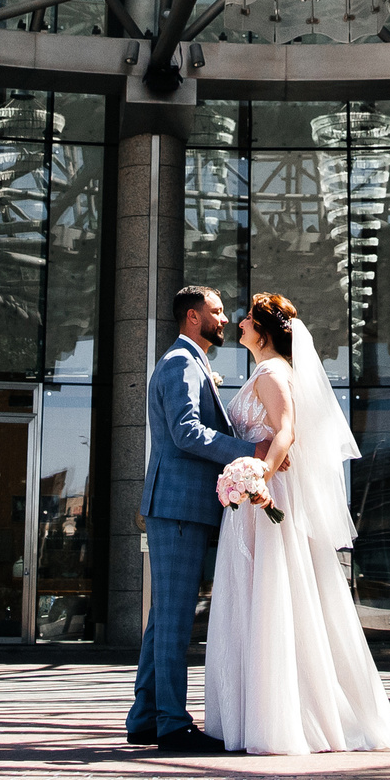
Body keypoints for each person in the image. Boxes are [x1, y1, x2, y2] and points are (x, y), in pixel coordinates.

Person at [204, 293, 390, 754]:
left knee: (272, 593)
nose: (239, 323)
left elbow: (286, 431)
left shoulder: (273, 373)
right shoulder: (265, 371)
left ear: (263, 331)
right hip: (255, 496)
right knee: (260, 595)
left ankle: (283, 720)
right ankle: (257, 714)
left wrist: (260, 474)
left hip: (266, 495)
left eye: (248, 319)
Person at [126, 285, 247, 753]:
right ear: (193, 317)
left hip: (180, 507)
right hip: (178, 507)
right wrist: (249, 451)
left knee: (165, 618)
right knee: (175, 621)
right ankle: (173, 726)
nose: (224, 318)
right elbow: (186, 432)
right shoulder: (180, 362)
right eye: (217, 311)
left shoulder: (190, 361)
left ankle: (145, 718)